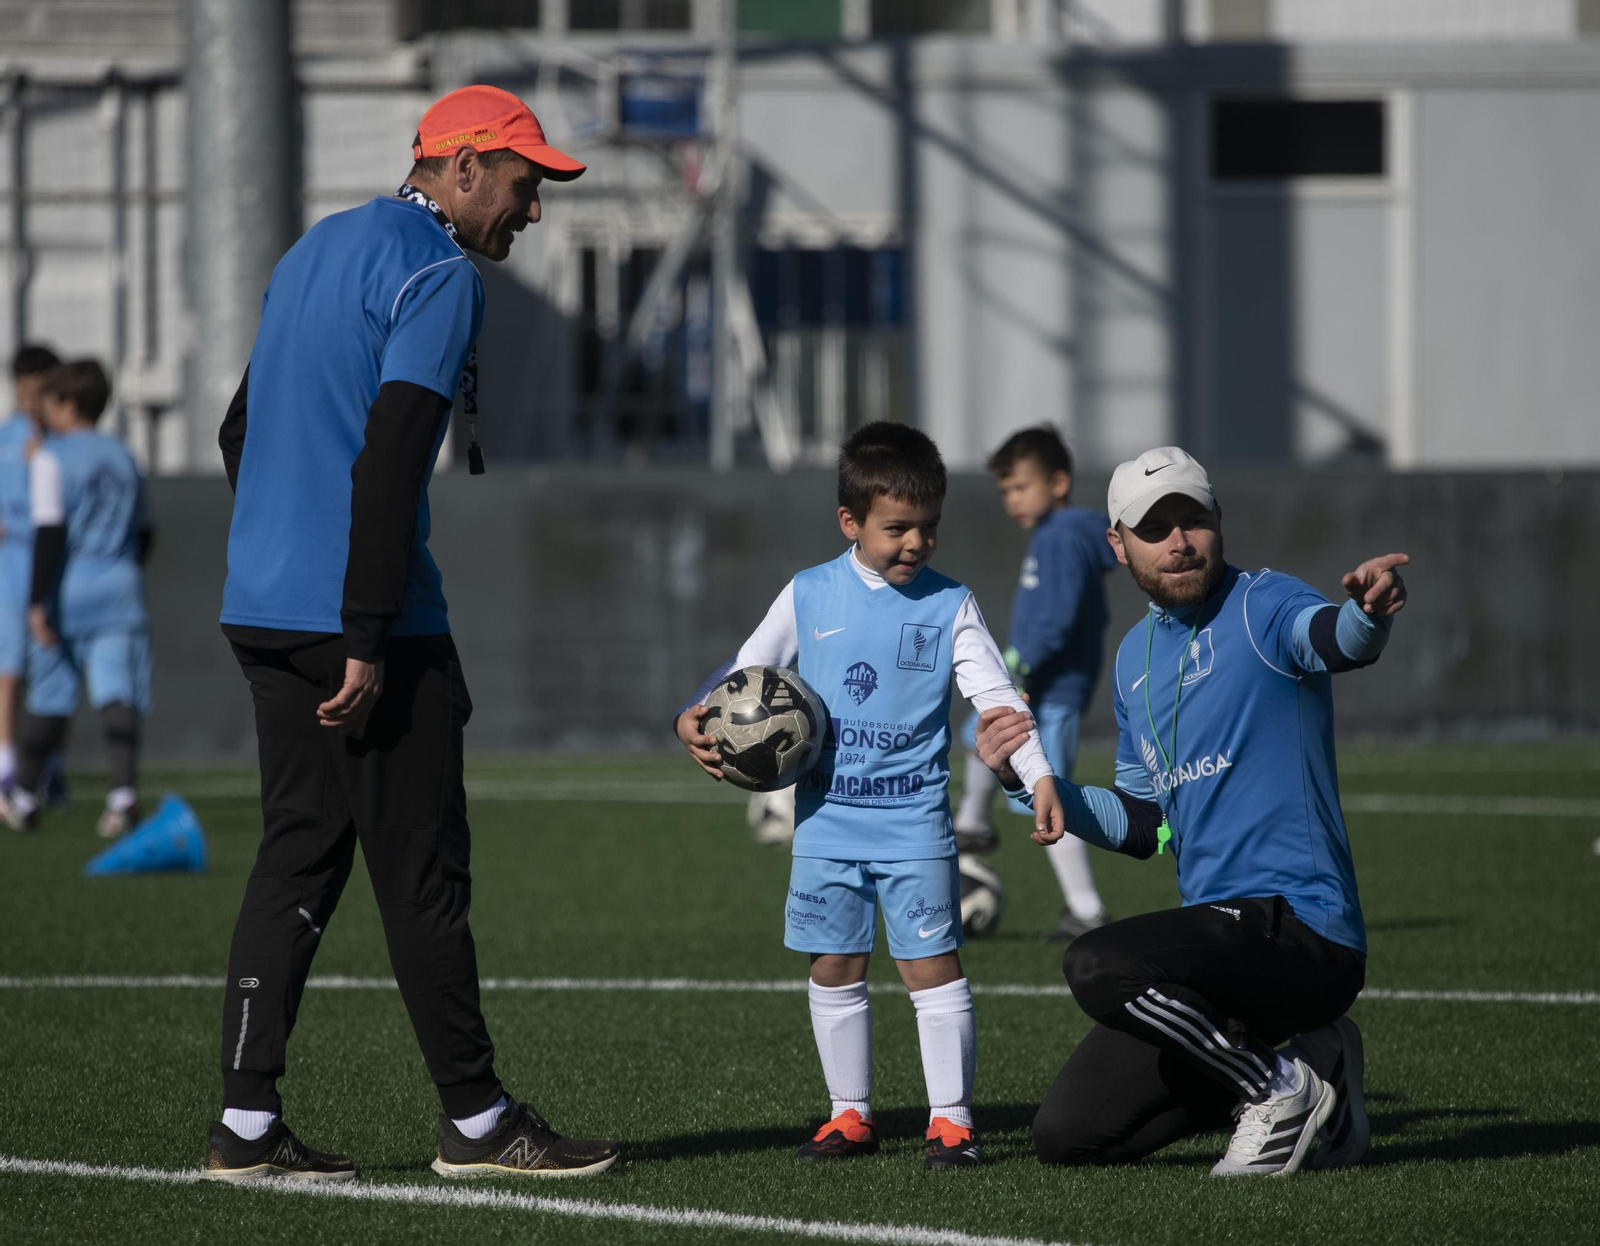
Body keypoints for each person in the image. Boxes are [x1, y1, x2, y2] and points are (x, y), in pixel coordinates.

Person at [206, 85, 617, 1183]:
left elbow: (235, 425)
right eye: (527, 186)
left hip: (261, 608)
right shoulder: (438, 274)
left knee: (296, 854)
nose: (532, 213)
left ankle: (244, 1126)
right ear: (465, 165)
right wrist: (364, 628)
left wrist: (278, 557)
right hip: (361, 618)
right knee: (422, 873)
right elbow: (390, 462)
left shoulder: (313, 249)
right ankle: (478, 1123)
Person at [976, 446, 1407, 1176]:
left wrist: (1367, 615)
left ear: (1218, 521)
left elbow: (1332, 639)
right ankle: (1316, 1062)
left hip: (1302, 932)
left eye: (1193, 520)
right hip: (1224, 957)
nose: (1178, 541)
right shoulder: (1135, 658)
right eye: (1154, 527)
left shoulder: (1264, 603)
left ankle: (1278, 1089)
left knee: (1095, 962)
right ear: (1118, 545)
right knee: (1068, 1137)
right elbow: (1145, 825)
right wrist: (1032, 784)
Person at [674, 422, 1066, 1170]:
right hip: (825, 825)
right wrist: (689, 714)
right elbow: (746, 670)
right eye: (897, 528)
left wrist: (1039, 774)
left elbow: (997, 700)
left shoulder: (950, 603)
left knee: (931, 969)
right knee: (834, 966)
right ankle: (848, 1116)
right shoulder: (809, 590)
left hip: (914, 823)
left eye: (929, 527)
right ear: (850, 523)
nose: (916, 542)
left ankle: (951, 1123)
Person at [953, 426, 1119, 941]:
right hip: (1038, 687)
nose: (1012, 500)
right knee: (977, 736)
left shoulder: (1063, 536)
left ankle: (1087, 911)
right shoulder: (1058, 535)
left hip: (1048, 691)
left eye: (1021, 487)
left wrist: (1019, 667)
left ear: (1060, 481)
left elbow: (1058, 618)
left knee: (1048, 799)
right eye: (1005, 490)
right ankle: (974, 824)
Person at [3, 360, 152, 838]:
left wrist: (35, 602)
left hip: (69, 591)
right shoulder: (123, 454)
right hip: (120, 586)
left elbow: (49, 532)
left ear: (68, 405)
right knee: (116, 691)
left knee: (49, 695)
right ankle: (123, 796)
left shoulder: (52, 457)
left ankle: (23, 798)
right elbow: (146, 532)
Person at [0, 345, 58, 796]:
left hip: (49, 558)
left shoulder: (60, 442)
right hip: (12, 560)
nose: (30, 399)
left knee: (51, 662)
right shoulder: (7, 437)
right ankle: (6, 761)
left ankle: (47, 766)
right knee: (10, 663)